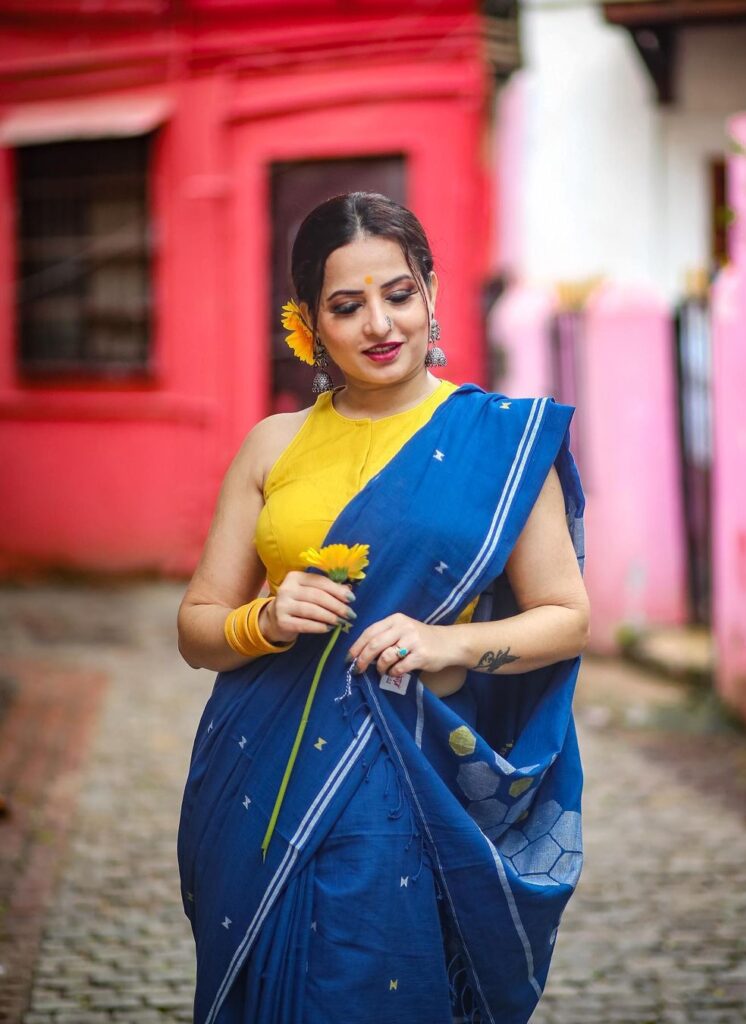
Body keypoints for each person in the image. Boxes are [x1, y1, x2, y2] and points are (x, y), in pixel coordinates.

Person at [176, 192, 589, 1024]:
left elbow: (567, 616)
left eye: (397, 294)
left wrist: (450, 645)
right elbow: (196, 627)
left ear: (430, 290)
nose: (378, 324)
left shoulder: (497, 442)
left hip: (408, 771)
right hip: (256, 769)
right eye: (346, 305)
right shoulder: (272, 444)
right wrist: (263, 617)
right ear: (308, 323)